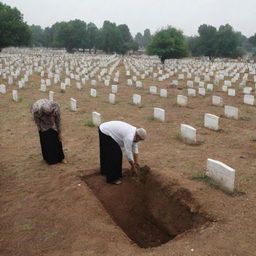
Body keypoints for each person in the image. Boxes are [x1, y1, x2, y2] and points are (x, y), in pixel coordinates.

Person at [99, 121, 147, 185]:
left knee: (111, 154)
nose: (139, 141)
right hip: (105, 131)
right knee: (115, 156)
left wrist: (136, 162)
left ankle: (107, 172)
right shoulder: (130, 137)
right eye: (140, 139)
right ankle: (112, 179)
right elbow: (128, 153)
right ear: (137, 135)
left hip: (106, 128)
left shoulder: (135, 133)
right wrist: (133, 166)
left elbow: (135, 148)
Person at [31, 98, 67, 165]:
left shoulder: (56, 107)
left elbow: (58, 121)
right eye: (48, 115)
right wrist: (41, 129)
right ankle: (49, 159)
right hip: (43, 125)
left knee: (57, 140)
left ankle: (61, 158)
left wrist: (59, 132)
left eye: (52, 115)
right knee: (46, 141)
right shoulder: (36, 109)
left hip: (52, 125)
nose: (50, 116)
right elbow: (37, 121)